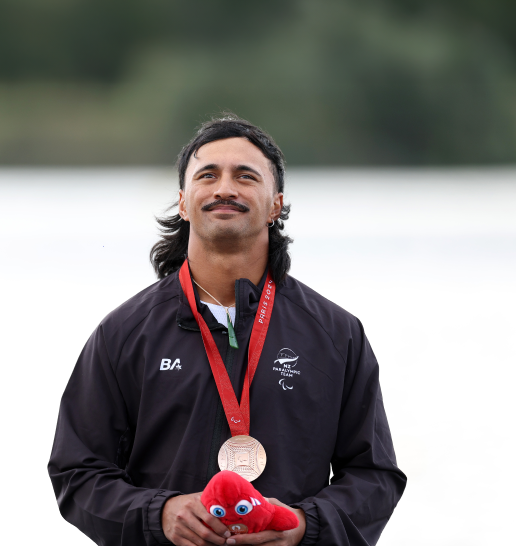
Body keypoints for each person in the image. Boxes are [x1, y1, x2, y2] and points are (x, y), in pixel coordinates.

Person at [48, 114, 407, 546]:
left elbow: (376, 478)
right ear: (183, 202)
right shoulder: (123, 333)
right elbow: (77, 473)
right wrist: (158, 514)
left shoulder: (336, 334)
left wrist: (304, 527)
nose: (224, 188)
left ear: (276, 204)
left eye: (245, 176)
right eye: (208, 175)